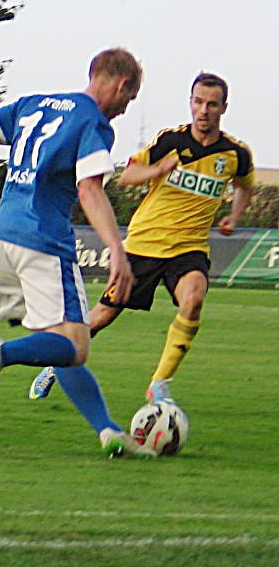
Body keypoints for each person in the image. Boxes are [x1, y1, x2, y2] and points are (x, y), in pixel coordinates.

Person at [0, 47, 155, 458]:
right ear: (121, 85)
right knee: (76, 345)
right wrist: (116, 250)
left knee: (58, 342)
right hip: (41, 242)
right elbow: (89, 189)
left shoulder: (33, 104)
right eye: (129, 100)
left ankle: (108, 431)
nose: (123, 110)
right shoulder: (92, 122)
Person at [29, 72, 254, 404]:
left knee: (193, 300)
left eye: (211, 104)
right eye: (198, 102)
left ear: (224, 107)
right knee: (102, 316)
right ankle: (54, 361)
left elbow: (245, 187)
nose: (203, 110)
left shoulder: (235, 153)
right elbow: (127, 176)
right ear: (190, 103)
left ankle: (159, 384)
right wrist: (158, 169)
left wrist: (233, 217)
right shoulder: (170, 141)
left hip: (189, 248)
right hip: (144, 244)